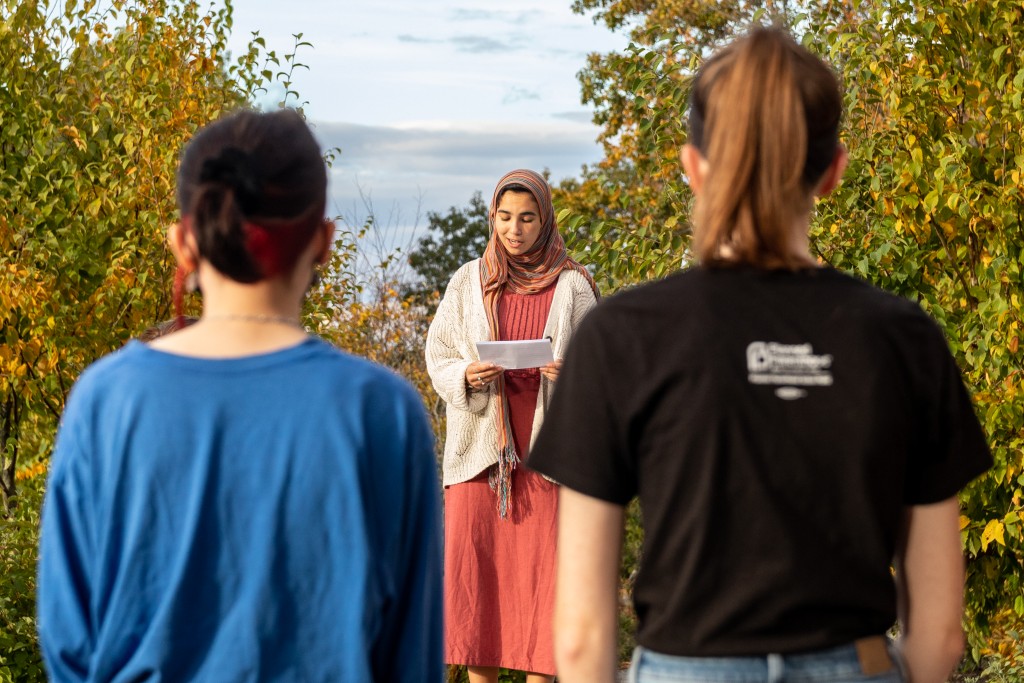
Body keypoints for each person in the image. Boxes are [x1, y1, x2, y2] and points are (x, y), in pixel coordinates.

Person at [528, 27, 992, 683]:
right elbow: (941, 635)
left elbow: (579, 640)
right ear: (833, 170)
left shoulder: (620, 335)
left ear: (691, 166)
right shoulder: (903, 336)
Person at [37, 109, 443, 682]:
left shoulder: (105, 401)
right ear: (324, 242)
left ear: (182, 242)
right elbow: (412, 659)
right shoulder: (383, 413)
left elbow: (69, 648)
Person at [425, 169, 599, 682]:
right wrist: (466, 373)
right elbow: (438, 354)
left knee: (545, 587)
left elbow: (605, 369)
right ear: (492, 218)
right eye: (504, 217)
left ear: (544, 220)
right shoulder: (468, 279)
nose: (514, 229)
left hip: (548, 465)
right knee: (478, 589)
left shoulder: (574, 285)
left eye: (526, 218)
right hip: (480, 460)